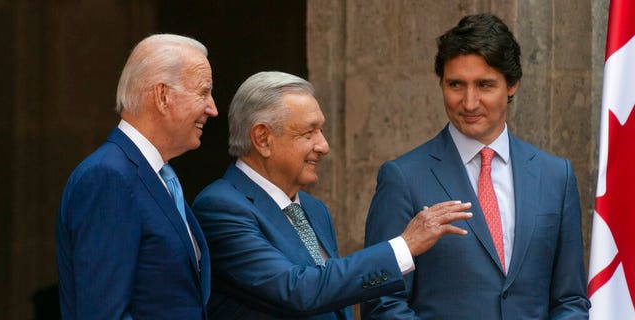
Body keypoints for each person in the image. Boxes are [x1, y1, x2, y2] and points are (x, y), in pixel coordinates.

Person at [361, 13, 590, 319]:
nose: (469, 103)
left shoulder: (555, 175)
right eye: (456, 85)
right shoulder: (403, 178)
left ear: (512, 85)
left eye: (484, 85)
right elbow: (382, 303)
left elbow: (570, 300)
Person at [192, 71, 472, 319]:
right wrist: (403, 246)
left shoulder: (314, 209)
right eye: (308, 132)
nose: (323, 146)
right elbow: (298, 290)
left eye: (321, 130)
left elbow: (334, 295)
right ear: (263, 138)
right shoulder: (221, 207)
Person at [56, 34, 217, 319]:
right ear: (162, 96)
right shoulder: (108, 177)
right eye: (204, 93)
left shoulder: (158, 174)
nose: (212, 109)